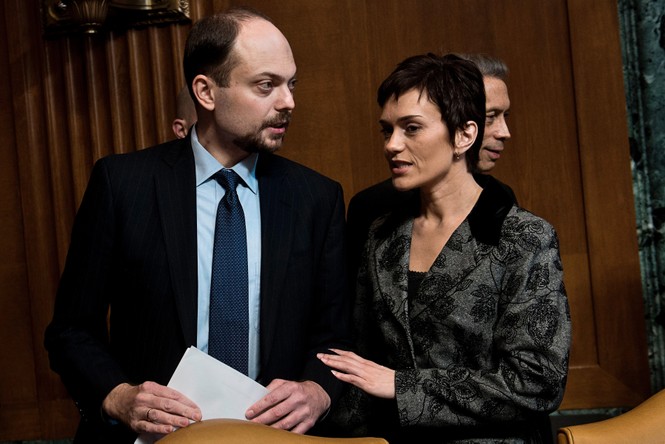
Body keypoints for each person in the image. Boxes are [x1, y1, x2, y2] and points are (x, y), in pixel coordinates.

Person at [44, 7, 351, 443]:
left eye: (291, 84)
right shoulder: (123, 184)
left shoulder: (317, 198)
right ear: (206, 91)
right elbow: (70, 330)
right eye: (266, 85)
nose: (288, 102)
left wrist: (319, 390)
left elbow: (335, 334)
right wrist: (117, 396)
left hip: (272, 438)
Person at [318, 53, 571, 443]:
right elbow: (363, 367)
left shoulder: (525, 237)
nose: (392, 145)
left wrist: (404, 387)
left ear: (464, 135)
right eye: (387, 130)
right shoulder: (382, 234)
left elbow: (537, 381)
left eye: (412, 128)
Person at [346, 54, 515, 280]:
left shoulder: (507, 209)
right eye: (490, 116)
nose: (504, 132)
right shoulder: (375, 216)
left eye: (413, 128)